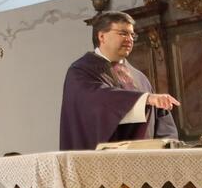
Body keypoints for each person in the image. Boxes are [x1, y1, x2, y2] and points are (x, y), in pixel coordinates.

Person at [59, 11, 180, 150]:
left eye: (132, 35)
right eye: (123, 33)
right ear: (102, 36)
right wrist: (144, 99)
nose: (130, 39)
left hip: (145, 162)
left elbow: (161, 119)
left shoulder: (139, 77)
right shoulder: (81, 71)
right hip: (101, 162)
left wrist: (168, 146)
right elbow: (98, 100)